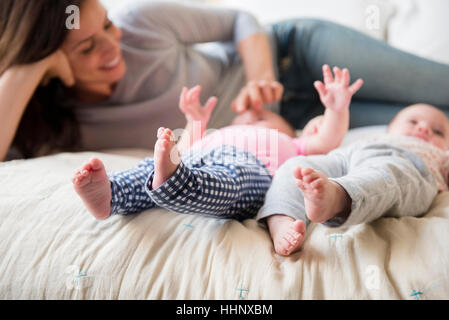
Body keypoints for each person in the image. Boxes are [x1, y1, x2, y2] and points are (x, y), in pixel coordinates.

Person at [2, 0, 449, 162]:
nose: (111, 45)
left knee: (441, 91)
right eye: (86, 48)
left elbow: (240, 18)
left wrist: (260, 78)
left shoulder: (141, 22)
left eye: (106, 26)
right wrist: (27, 68)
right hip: (300, 122)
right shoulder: (63, 128)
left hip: (297, 55)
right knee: (431, 130)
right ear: (49, 68)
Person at [72, 66, 363, 220]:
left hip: (253, 170)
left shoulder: (292, 144)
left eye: (263, 119)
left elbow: (327, 140)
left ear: (291, 132)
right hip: (196, 159)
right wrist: (195, 123)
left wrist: (336, 109)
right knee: (151, 167)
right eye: (246, 119)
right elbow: (186, 149)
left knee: (230, 182)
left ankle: (177, 182)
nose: (253, 118)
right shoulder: (216, 133)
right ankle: (112, 194)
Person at [259, 103, 449, 256]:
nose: (424, 128)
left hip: (407, 163)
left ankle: (336, 197)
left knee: (384, 177)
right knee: (298, 166)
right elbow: (328, 140)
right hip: (349, 156)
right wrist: (317, 127)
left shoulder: (441, 156)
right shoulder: (371, 136)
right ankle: (283, 219)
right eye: (413, 121)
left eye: (438, 132)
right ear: (390, 128)